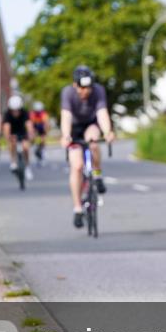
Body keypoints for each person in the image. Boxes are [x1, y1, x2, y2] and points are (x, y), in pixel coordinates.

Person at [60, 65, 115, 229]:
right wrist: (65, 135)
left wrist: (108, 131)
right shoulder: (68, 93)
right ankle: (77, 208)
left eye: (88, 88)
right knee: (76, 166)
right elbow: (66, 116)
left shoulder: (98, 91)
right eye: (82, 88)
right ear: (75, 85)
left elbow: (102, 113)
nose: (86, 92)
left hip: (91, 124)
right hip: (74, 128)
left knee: (93, 141)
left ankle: (97, 175)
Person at [2, 95, 34, 180]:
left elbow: (29, 124)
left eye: (17, 110)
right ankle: (13, 162)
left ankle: (27, 167)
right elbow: (6, 127)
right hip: (12, 133)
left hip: (22, 132)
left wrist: (30, 134)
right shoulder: (7, 114)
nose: (15, 112)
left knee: (26, 147)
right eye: (13, 110)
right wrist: (8, 137)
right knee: (12, 144)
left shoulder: (24, 113)